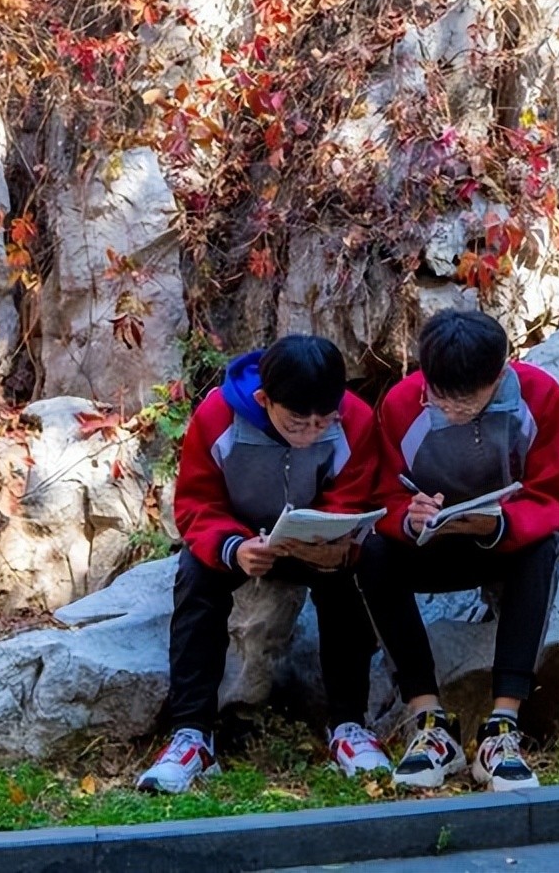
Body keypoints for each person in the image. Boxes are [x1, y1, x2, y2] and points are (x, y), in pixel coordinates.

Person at [136, 334, 389, 793]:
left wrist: (333, 540)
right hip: (241, 541)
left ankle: (348, 725)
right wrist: (233, 547)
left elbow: (355, 493)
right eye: (297, 423)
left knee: (350, 584)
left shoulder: (354, 418)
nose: (312, 433)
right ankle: (192, 734)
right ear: (263, 399)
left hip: (313, 544)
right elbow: (196, 503)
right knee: (195, 580)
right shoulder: (217, 417)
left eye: (322, 422)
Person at [356, 309, 559, 792]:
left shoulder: (540, 398)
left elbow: (553, 496)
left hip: (504, 542)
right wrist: (407, 517)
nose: (451, 409)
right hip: (430, 544)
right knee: (372, 552)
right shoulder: (399, 404)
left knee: (544, 548)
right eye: (439, 397)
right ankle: (430, 721)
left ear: (500, 374)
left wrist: (500, 523)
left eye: (467, 400)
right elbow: (381, 495)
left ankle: (503, 726)